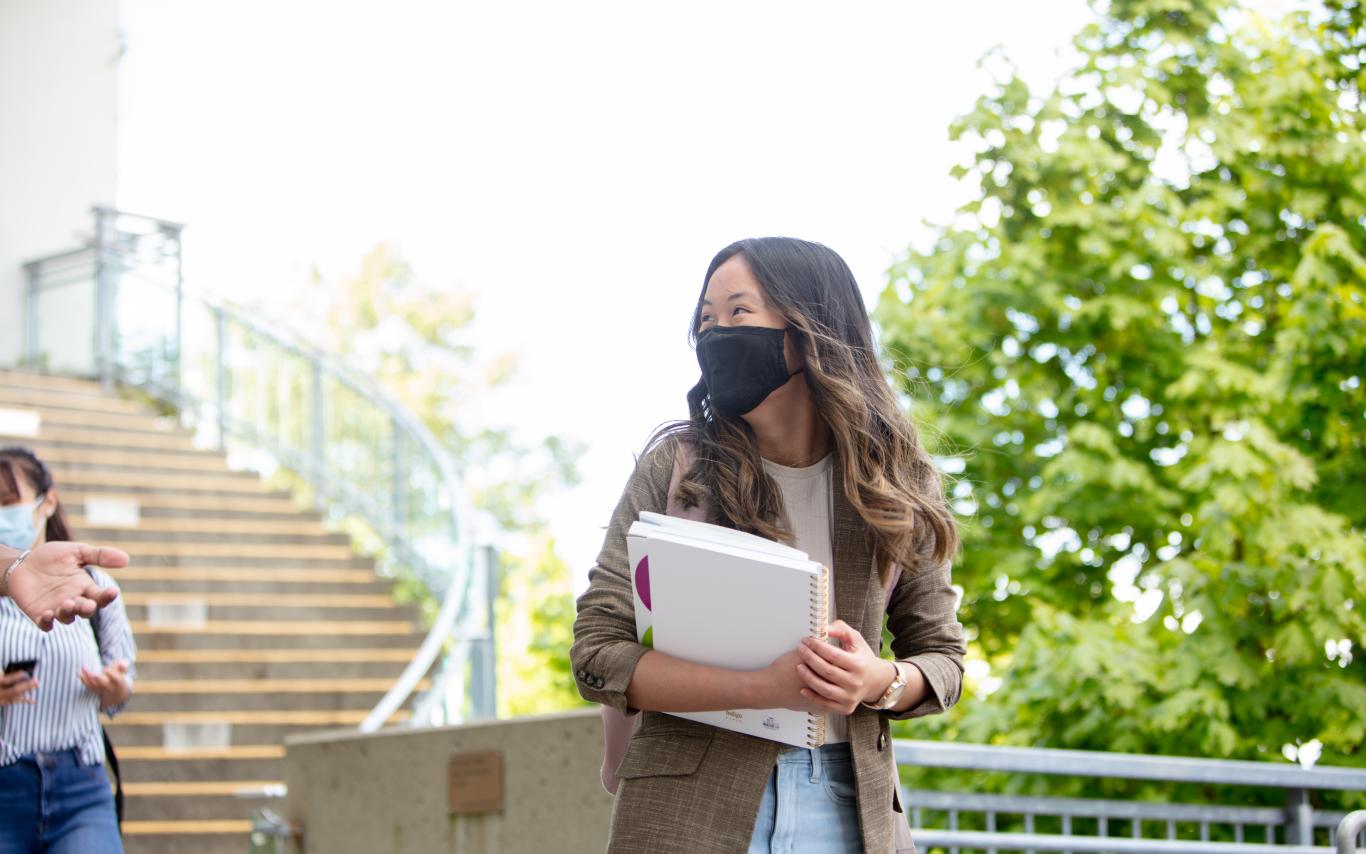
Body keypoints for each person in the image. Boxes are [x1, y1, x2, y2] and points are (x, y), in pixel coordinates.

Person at [572, 237, 967, 853]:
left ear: (811, 327)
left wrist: (877, 681)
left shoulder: (896, 481)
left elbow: (943, 660)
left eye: (738, 312)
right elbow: (597, 654)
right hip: (687, 808)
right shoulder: (675, 469)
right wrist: (765, 687)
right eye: (706, 318)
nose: (716, 333)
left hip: (848, 807)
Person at [0, 447, 136, 854]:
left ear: (48, 501)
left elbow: (123, 681)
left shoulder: (91, 584)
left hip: (81, 787)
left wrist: (114, 688)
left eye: (8, 503)